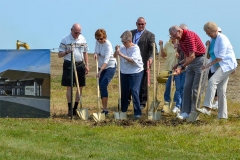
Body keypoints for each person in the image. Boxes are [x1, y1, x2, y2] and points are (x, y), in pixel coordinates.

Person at [198, 22, 237, 119]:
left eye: (209, 33)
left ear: (215, 30)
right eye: (206, 33)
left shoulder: (222, 39)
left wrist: (208, 65)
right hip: (219, 67)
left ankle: (207, 107)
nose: (208, 35)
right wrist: (207, 46)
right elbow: (208, 55)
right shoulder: (211, 39)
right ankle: (222, 116)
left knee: (212, 81)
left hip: (227, 65)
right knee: (221, 91)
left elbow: (220, 57)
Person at [169, 25, 206, 120]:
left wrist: (181, 67)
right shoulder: (181, 40)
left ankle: (194, 113)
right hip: (191, 63)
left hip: (200, 61)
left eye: (174, 35)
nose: (174, 38)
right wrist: (178, 64)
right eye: (172, 36)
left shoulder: (189, 36)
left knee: (195, 89)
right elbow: (187, 57)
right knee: (186, 87)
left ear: (179, 31)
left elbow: (192, 56)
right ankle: (185, 112)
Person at [58, 23, 89, 116]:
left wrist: (87, 64)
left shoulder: (82, 39)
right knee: (69, 87)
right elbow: (59, 54)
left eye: (79, 33)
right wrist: (67, 51)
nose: (77, 34)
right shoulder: (65, 39)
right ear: (71, 30)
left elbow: (85, 52)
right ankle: (70, 108)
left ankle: (75, 108)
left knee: (80, 87)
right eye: (76, 32)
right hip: (69, 64)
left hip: (80, 64)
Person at [114, 30, 144, 119]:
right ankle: (123, 111)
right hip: (124, 72)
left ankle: (137, 112)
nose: (123, 43)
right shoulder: (122, 48)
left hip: (136, 72)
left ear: (130, 41)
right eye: (122, 42)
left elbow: (132, 60)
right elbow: (114, 56)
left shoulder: (135, 48)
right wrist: (117, 51)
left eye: (125, 42)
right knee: (124, 92)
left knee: (134, 91)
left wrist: (121, 54)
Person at [130, 17, 157, 110]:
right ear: (136, 24)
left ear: (145, 24)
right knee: (131, 84)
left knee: (143, 84)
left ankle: (142, 102)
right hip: (131, 62)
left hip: (143, 63)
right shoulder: (131, 33)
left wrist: (151, 58)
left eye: (143, 24)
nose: (141, 26)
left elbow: (153, 49)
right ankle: (132, 100)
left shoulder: (150, 35)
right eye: (139, 24)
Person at [94, 29, 116, 115]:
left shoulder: (108, 45)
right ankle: (103, 108)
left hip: (110, 66)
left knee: (103, 85)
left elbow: (106, 60)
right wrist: (95, 53)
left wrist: (100, 71)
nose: (99, 41)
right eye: (97, 39)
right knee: (100, 86)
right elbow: (96, 50)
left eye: (101, 39)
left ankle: (105, 109)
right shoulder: (97, 42)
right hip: (100, 66)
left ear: (105, 37)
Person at [159, 37, 180, 113]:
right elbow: (163, 55)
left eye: (173, 35)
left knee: (178, 88)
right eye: (170, 35)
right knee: (168, 87)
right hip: (169, 69)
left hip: (178, 69)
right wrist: (161, 46)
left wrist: (179, 55)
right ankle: (166, 104)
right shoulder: (167, 44)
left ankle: (176, 105)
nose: (171, 37)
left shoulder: (180, 43)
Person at [207, 26, 222, 110]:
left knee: (218, 84)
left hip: (220, 66)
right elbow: (208, 55)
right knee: (211, 82)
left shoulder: (222, 41)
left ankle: (219, 103)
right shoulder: (211, 42)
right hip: (213, 66)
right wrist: (207, 47)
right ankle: (216, 102)